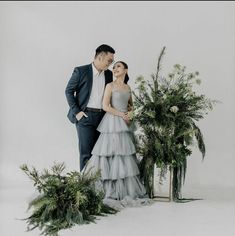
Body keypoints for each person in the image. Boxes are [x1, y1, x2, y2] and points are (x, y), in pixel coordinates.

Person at [83, 61, 151, 209]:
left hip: (124, 124)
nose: (114, 69)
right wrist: (122, 114)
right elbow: (105, 106)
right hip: (112, 122)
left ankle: (124, 191)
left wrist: (130, 115)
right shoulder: (110, 86)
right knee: (109, 154)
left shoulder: (128, 87)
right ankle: (108, 191)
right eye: (113, 67)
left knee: (123, 155)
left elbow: (131, 105)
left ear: (126, 69)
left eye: (118, 66)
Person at [65, 44, 115, 171]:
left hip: (102, 118)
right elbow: (69, 91)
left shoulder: (108, 74)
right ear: (99, 57)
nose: (111, 63)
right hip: (85, 117)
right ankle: (85, 188)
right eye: (109, 60)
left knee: (99, 154)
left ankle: (97, 186)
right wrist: (77, 112)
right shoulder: (81, 71)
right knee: (86, 154)